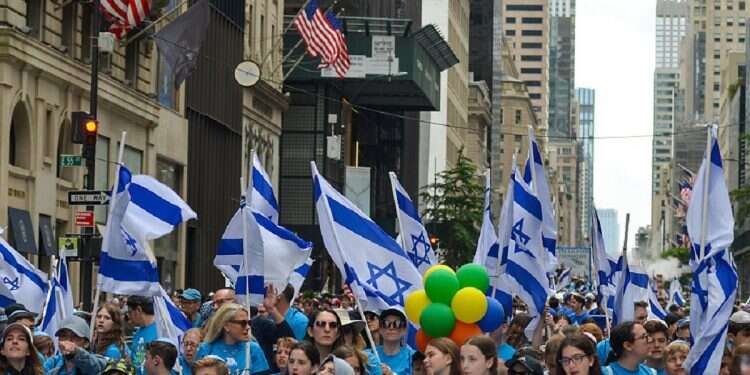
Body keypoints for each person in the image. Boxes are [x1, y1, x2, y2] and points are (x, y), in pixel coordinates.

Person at [195, 303, 270, 375]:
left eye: (249, 323)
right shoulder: (207, 348)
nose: (248, 327)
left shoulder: (253, 349)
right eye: (243, 323)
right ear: (226, 326)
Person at [367, 308, 413, 375]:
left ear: (404, 330)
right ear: (380, 329)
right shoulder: (368, 355)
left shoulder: (412, 357)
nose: (391, 327)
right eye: (386, 323)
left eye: (397, 324)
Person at [127, 295, 158, 370]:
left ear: (138, 310)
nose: (128, 316)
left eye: (130, 312)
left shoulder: (160, 331)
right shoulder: (138, 332)